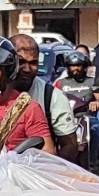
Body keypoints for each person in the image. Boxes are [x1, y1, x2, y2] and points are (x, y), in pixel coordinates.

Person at [13, 34, 81, 162]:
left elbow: (69, 145)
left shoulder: (53, 97)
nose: (27, 69)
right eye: (21, 62)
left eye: (33, 63)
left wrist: (50, 171)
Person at [55, 51, 99, 172]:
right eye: (72, 66)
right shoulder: (60, 83)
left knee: (94, 127)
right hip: (67, 118)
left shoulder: (91, 81)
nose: (75, 68)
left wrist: (97, 102)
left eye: (78, 65)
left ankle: (93, 161)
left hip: (86, 116)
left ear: (84, 67)